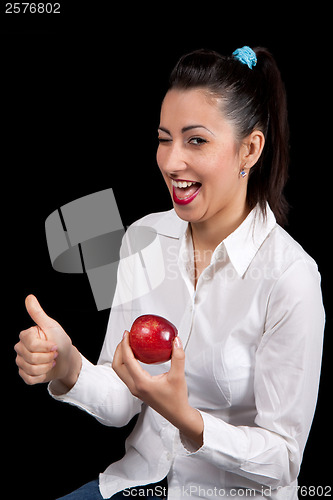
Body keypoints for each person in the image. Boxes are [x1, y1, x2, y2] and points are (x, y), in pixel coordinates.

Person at [14, 46, 325, 499]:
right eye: (164, 138)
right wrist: (68, 364)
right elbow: (122, 401)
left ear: (250, 149)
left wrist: (187, 418)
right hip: (138, 485)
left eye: (195, 140)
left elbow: (282, 460)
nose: (170, 161)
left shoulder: (290, 276)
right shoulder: (142, 237)